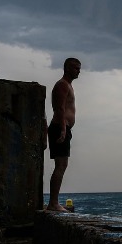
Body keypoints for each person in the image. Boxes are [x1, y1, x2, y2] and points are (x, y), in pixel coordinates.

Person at [46, 57, 81, 211]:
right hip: (60, 128)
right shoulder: (62, 85)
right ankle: (53, 203)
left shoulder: (68, 85)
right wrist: (63, 128)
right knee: (60, 165)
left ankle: (54, 202)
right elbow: (59, 108)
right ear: (67, 68)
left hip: (64, 127)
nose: (78, 70)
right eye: (75, 68)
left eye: (79, 68)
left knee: (62, 165)